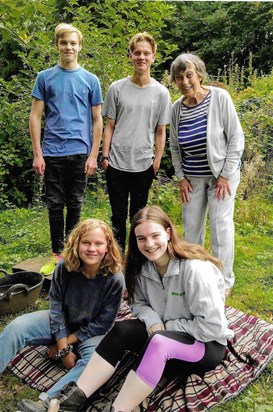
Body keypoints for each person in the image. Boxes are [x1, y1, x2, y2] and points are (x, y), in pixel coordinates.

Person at [18, 205, 233, 412]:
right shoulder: (142, 269)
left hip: (204, 346)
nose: (149, 244)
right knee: (120, 330)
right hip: (163, 333)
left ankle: (118, 409)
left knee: (159, 341)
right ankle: (64, 403)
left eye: (155, 235)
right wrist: (153, 321)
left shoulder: (196, 271)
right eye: (141, 238)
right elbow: (139, 304)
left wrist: (166, 326)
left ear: (168, 233)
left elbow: (212, 328)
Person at [2, 218, 124, 410]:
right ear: (76, 243)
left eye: (98, 243)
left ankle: (47, 402)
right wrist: (63, 346)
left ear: (108, 246)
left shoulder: (115, 278)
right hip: (62, 322)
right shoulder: (64, 267)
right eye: (86, 242)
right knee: (17, 326)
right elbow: (55, 306)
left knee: (95, 362)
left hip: (92, 332)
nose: (92, 248)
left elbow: (104, 323)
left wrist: (65, 344)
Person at [30, 23, 103, 275]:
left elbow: (97, 120)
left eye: (73, 43)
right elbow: (35, 116)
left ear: (80, 46)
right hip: (51, 152)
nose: (68, 47)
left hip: (80, 152)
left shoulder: (91, 80)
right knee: (54, 204)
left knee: (75, 203)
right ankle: (56, 253)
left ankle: (72, 254)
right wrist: (38, 153)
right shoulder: (45, 78)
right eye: (64, 43)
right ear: (57, 46)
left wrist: (94, 154)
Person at [169, 53, 244, 297]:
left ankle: (223, 281)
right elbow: (174, 147)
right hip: (192, 179)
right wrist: (180, 176)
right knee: (191, 230)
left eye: (189, 75)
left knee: (221, 228)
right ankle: (196, 275)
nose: (185, 81)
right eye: (179, 78)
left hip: (221, 177)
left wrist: (224, 175)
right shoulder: (176, 108)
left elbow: (235, 139)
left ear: (199, 74)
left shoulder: (219, 98)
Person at [101, 32, 172, 253]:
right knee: (117, 213)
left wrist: (157, 160)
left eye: (146, 53)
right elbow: (109, 125)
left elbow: (161, 131)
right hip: (116, 163)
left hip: (144, 163)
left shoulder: (161, 93)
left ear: (154, 57)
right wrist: (104, 157)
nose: (141, 57)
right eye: (137, 52)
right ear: (130, 55)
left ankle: (136, 254)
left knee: (139, 215)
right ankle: (117, 255)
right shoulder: (117, 88)